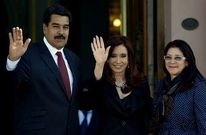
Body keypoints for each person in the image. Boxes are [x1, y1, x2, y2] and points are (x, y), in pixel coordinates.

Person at [4, 4, 81, 135]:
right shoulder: (28, 54)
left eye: (65, 27)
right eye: (56, 26)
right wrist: (12, 61)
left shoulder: (73, 59)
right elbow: (10, 87)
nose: (61, 32)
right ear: (45, 28)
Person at [81, 35, 153, 135]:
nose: (118, 61)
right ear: (107, 59)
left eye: (123, 56)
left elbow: (148, 114)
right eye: (113, 56)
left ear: (129, 59)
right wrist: (99, 65)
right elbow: (86, 104)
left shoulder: (141, 83)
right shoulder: (100, 83)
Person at [151, 39, 206, 134]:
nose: (172, 62)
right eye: (168, 57)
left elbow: (204, 124)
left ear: (187, 62)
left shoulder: (198, 86)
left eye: (178, 58)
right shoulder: (162, 84)